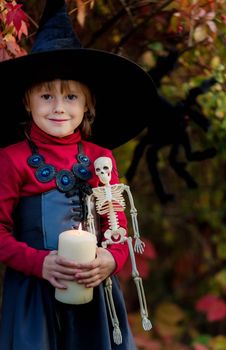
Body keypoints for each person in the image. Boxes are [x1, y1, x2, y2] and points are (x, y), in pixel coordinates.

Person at [0, 0, 158, 349]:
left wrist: (111, 260)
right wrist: (39, 264)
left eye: (71, 96)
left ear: (88, 105)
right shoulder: (11, 160)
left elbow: (116, 225)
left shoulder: (101, 158)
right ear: (28, 102)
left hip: (95, 295)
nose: (58, 107)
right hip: (33, 295)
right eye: (46, 96)